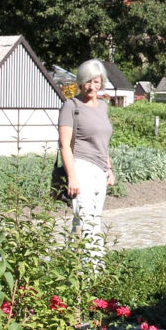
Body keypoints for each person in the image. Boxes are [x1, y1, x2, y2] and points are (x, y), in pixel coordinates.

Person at [58, 59, 115, 255]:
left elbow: (103, 141)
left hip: (100, 171)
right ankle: (93, 268)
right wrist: (72, 177)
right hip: (81, 168)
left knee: (90, 221)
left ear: (102, 83)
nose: (92, 86)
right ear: (81, 82)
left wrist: (109, 168)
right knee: (87, 222)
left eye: (96, 82)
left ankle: (71, 263)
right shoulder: (71, 106)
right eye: (88, 81)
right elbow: (64, 144)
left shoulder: (102, 106)